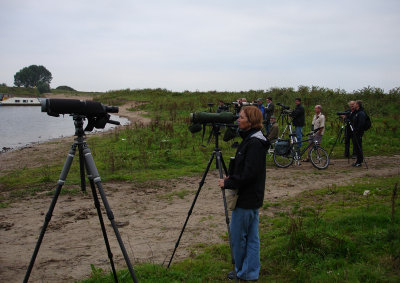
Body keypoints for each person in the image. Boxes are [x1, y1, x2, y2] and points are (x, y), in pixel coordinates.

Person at [218, 106, 267, 281]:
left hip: (246, 198)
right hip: (252, 196)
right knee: (252, 238)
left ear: (251, 121)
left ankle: (242, 271)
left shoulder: (254, 143)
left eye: (241, 117)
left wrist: (228, 182)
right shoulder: (253, 140)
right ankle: (249, 272)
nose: (238, 120)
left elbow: (249, 173)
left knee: (238, 237)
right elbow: (248, 169)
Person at [352, 100, 366, 167]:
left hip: (358, 133)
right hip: (355, 132)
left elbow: (361, 123)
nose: (353, 105)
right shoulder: (356, 112)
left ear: (358, 105)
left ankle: (359, 161)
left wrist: (357, 130)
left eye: (355, 104)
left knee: (358, 146)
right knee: (356, 146)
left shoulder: (361, 113)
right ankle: (358, 160)